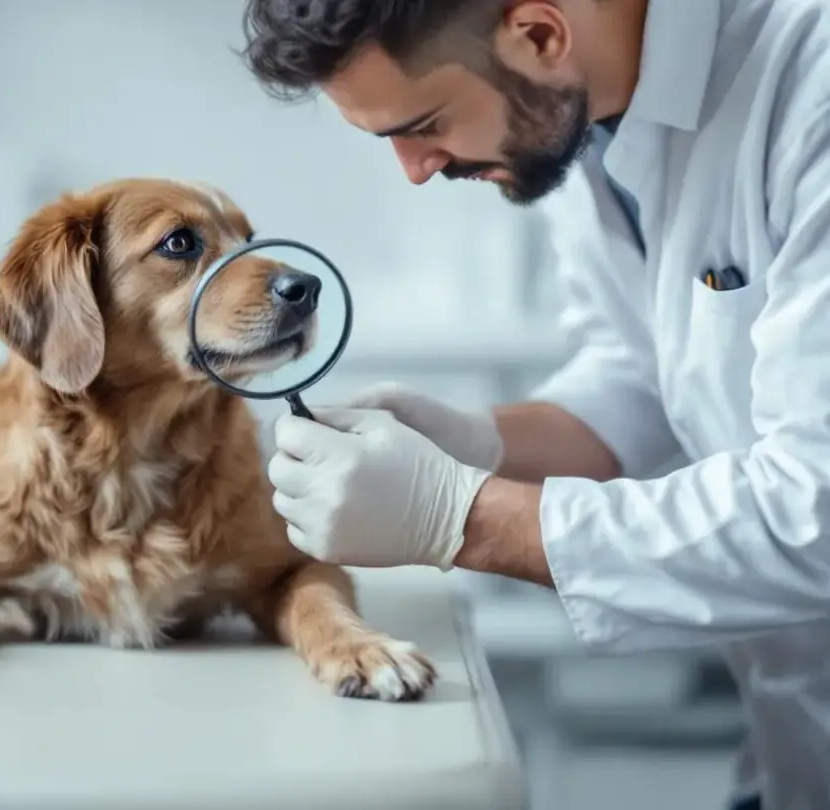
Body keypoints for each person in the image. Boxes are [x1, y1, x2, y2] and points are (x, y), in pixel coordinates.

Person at [236, 1, 830, 808]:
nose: (413, 168)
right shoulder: (575, 117)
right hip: (794, 745)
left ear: (541, 33)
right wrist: (475, 444)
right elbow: (645, 377)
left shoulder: (810, 84)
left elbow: (816, 511)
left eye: (424, 123)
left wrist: (459, 516)